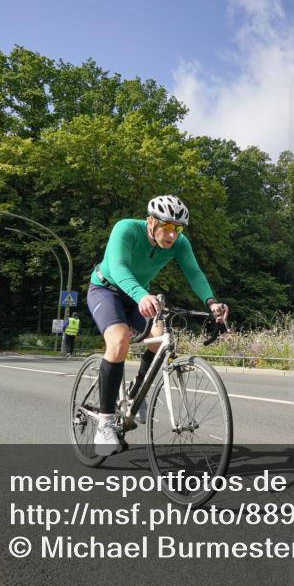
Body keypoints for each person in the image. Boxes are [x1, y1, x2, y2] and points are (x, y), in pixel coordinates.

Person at [86, 195, 229, 456]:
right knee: (119, 340)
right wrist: (141, 295)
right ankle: (105, 423)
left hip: (138, 295)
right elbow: (118, 267)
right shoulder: (126, 229)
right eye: (168, 226)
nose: (173, 235)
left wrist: (211, 302)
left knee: (159, 335)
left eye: (178, 229)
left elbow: (194, 273)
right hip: (106, 290)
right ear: (151, 222)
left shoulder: (180, 243)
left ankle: (136, 390)